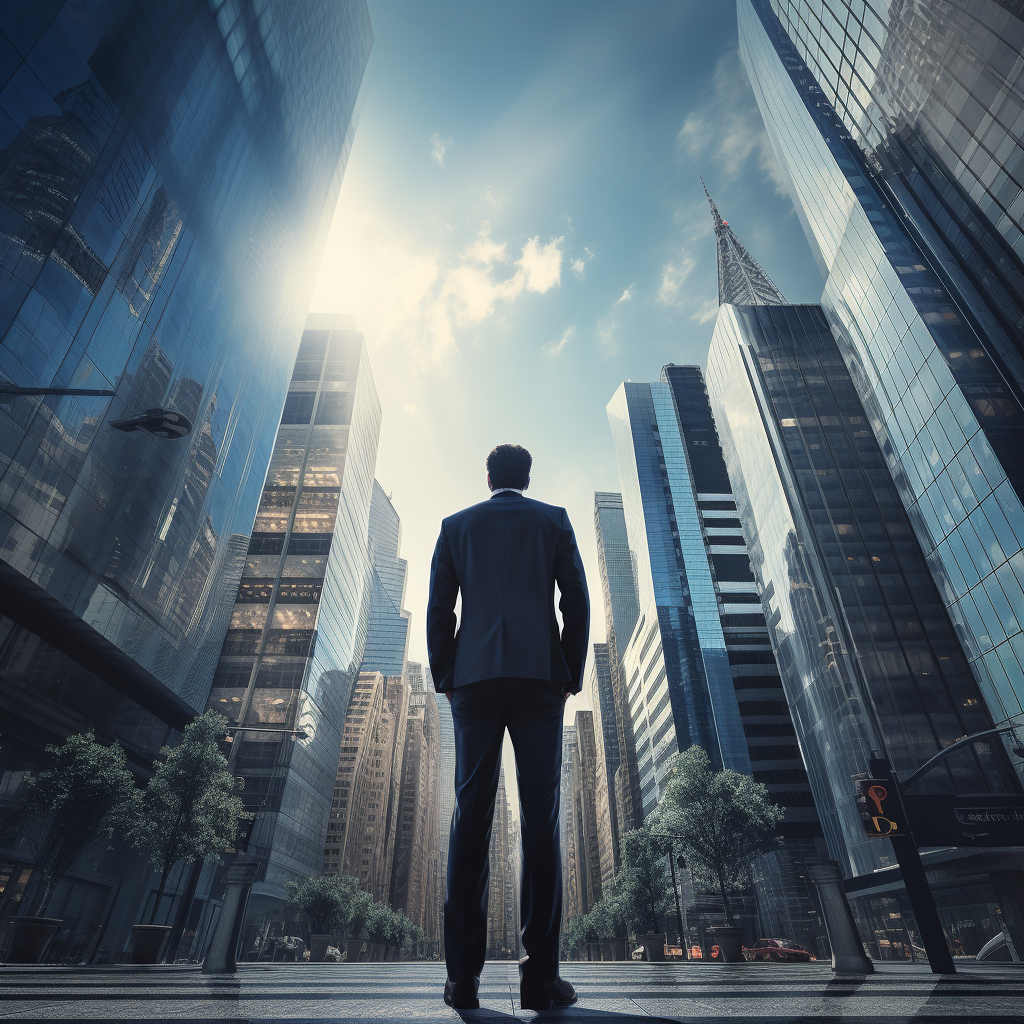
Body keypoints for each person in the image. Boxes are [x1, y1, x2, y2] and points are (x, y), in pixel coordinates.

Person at [427, 443, 589, 1011]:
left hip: (472, 681)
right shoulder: (553, 520)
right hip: (540, 678)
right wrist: (570, 671)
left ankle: (461, 979)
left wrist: (446, 672)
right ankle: (540, 978)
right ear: (527, 476)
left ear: (488, 476)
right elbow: (575, 598)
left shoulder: (455, 526)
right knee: (540, 818)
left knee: (469, 816)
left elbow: (439, 609)